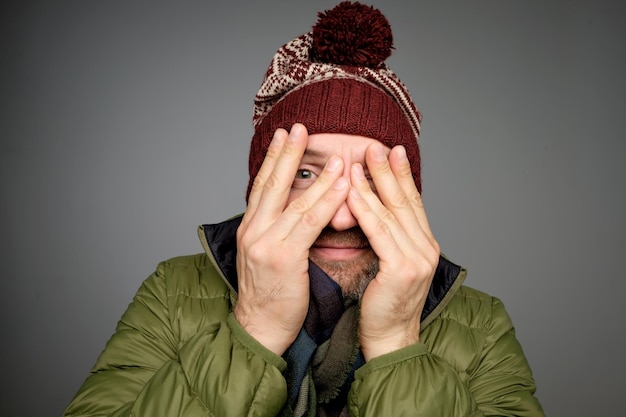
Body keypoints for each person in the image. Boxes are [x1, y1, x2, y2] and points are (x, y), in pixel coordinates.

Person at [63, 2, 544, 416]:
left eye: (371, 179)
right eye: (307, 175)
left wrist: (398, 343)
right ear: (263, 185)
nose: (340, 218)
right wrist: (255, 328)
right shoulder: (173, 293)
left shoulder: (481, 323)